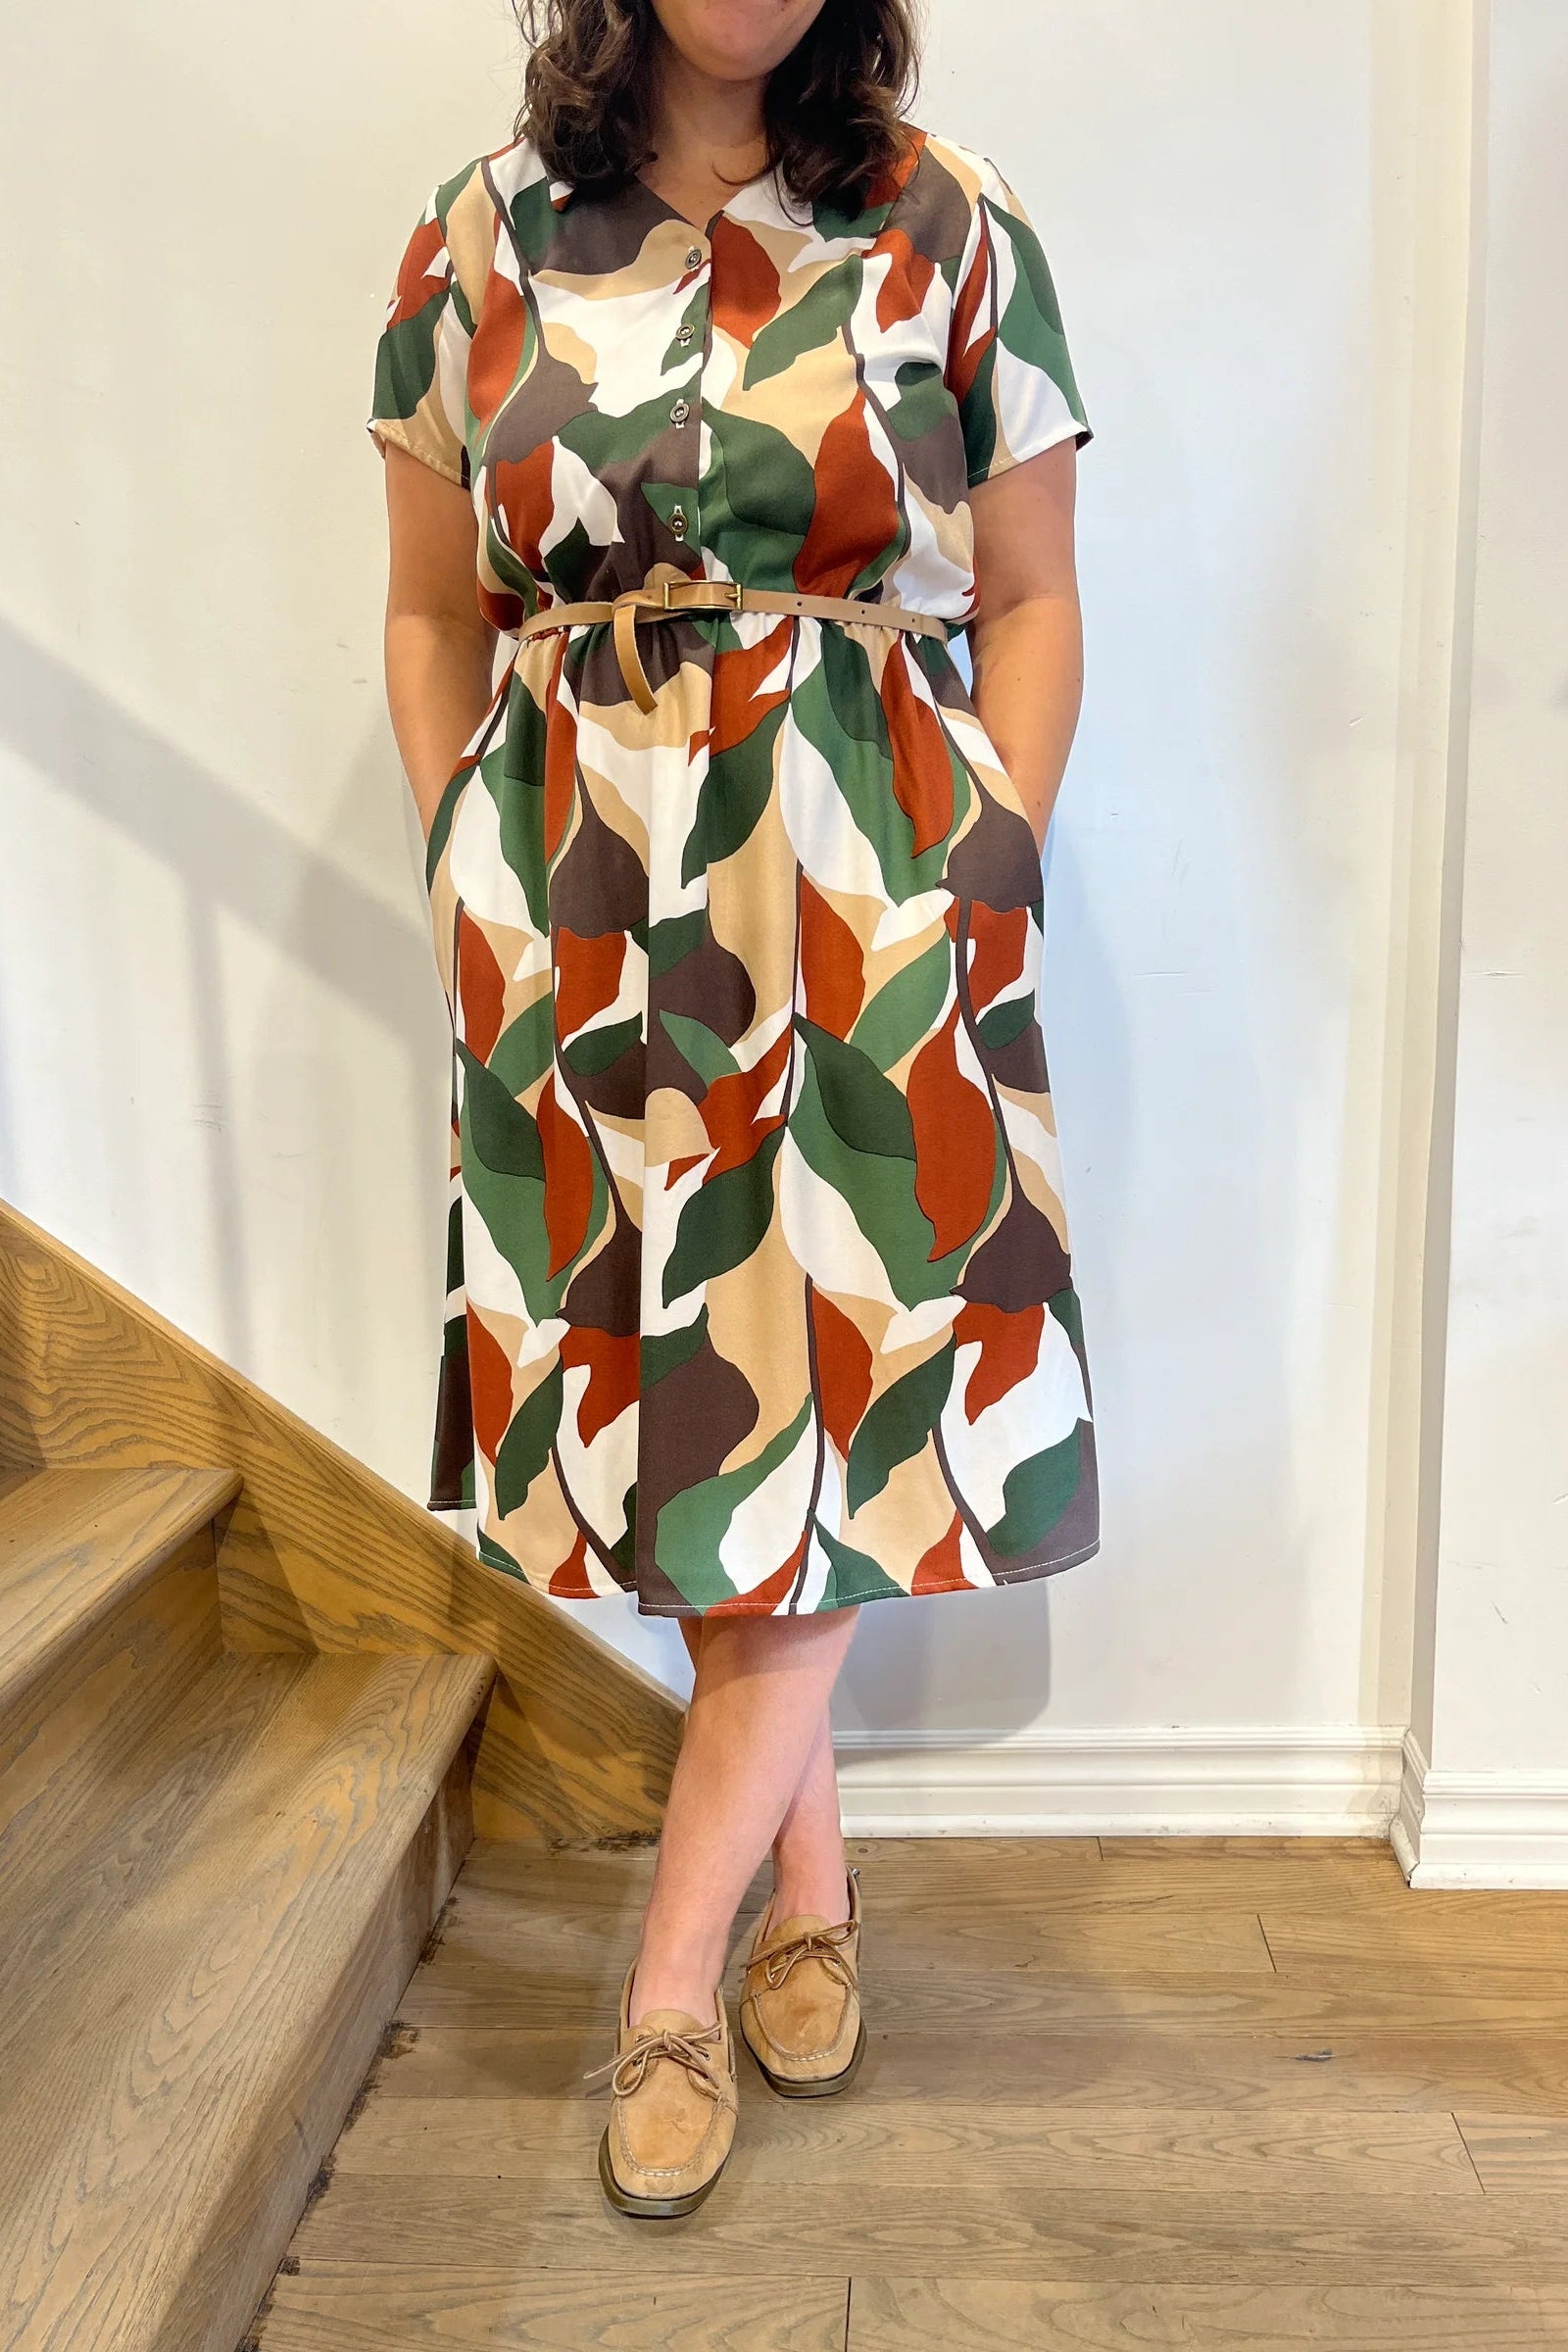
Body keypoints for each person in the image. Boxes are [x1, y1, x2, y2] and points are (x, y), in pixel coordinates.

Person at [369, 0, 1100, 2220]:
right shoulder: (472, 240)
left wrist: (980, 860)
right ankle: (807, 1877)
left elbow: (1038, 591)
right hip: (581, 910)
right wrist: (460, 873)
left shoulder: (951, 224)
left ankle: (669, 1976)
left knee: (838, 1395)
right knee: (688, 1399)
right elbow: (427, 610)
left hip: (872, 899)